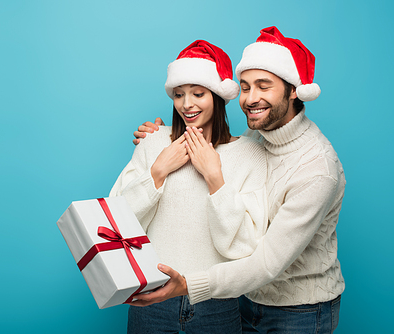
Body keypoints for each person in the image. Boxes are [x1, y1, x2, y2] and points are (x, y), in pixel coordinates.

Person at [131, 27, 345, 333]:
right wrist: (166, 135)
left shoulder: (316, 169)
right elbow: (228, 150)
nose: (251, 99)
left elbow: (266, 263)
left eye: (264, 86)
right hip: (243, 298)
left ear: (294, 89)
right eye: (244, 87)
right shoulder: (259, 133)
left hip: (298, 311)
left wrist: (189, 284)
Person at [110, 40, 268, 334]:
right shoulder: (154, 142)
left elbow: (246, 246)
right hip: (151, 298)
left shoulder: (251, 155)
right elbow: (115, 222)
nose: (187, 104)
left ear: (218, 96)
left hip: (217, 303)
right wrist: (157, 171)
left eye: (198, 93)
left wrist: (215, 179)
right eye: (179, 94)